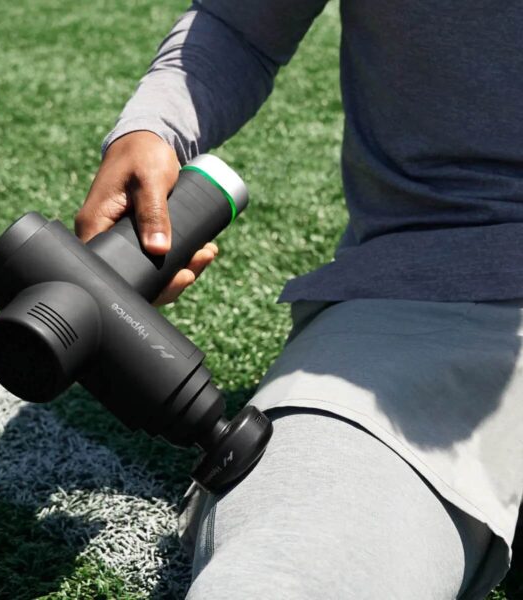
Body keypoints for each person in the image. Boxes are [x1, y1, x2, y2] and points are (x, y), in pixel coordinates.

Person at [75, 1, 523, 598]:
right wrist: (154, 126)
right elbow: (241, 25)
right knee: (290, 576)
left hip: (428, 308)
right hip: (427, 301)